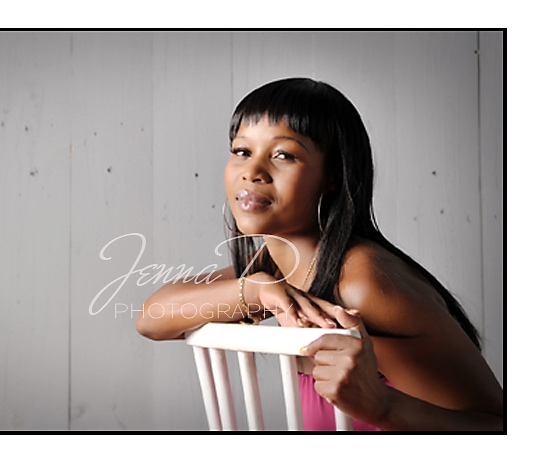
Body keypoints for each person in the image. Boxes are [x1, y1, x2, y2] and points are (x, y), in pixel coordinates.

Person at [136, 77, 504, 431]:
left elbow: (499, 429)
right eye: (242, 151)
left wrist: (384, 407)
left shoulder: (361, 282)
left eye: (284, 155)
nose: (253, 171)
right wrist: (256, 290)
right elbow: (151, 319)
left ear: (333, 174)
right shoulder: (275, 265)